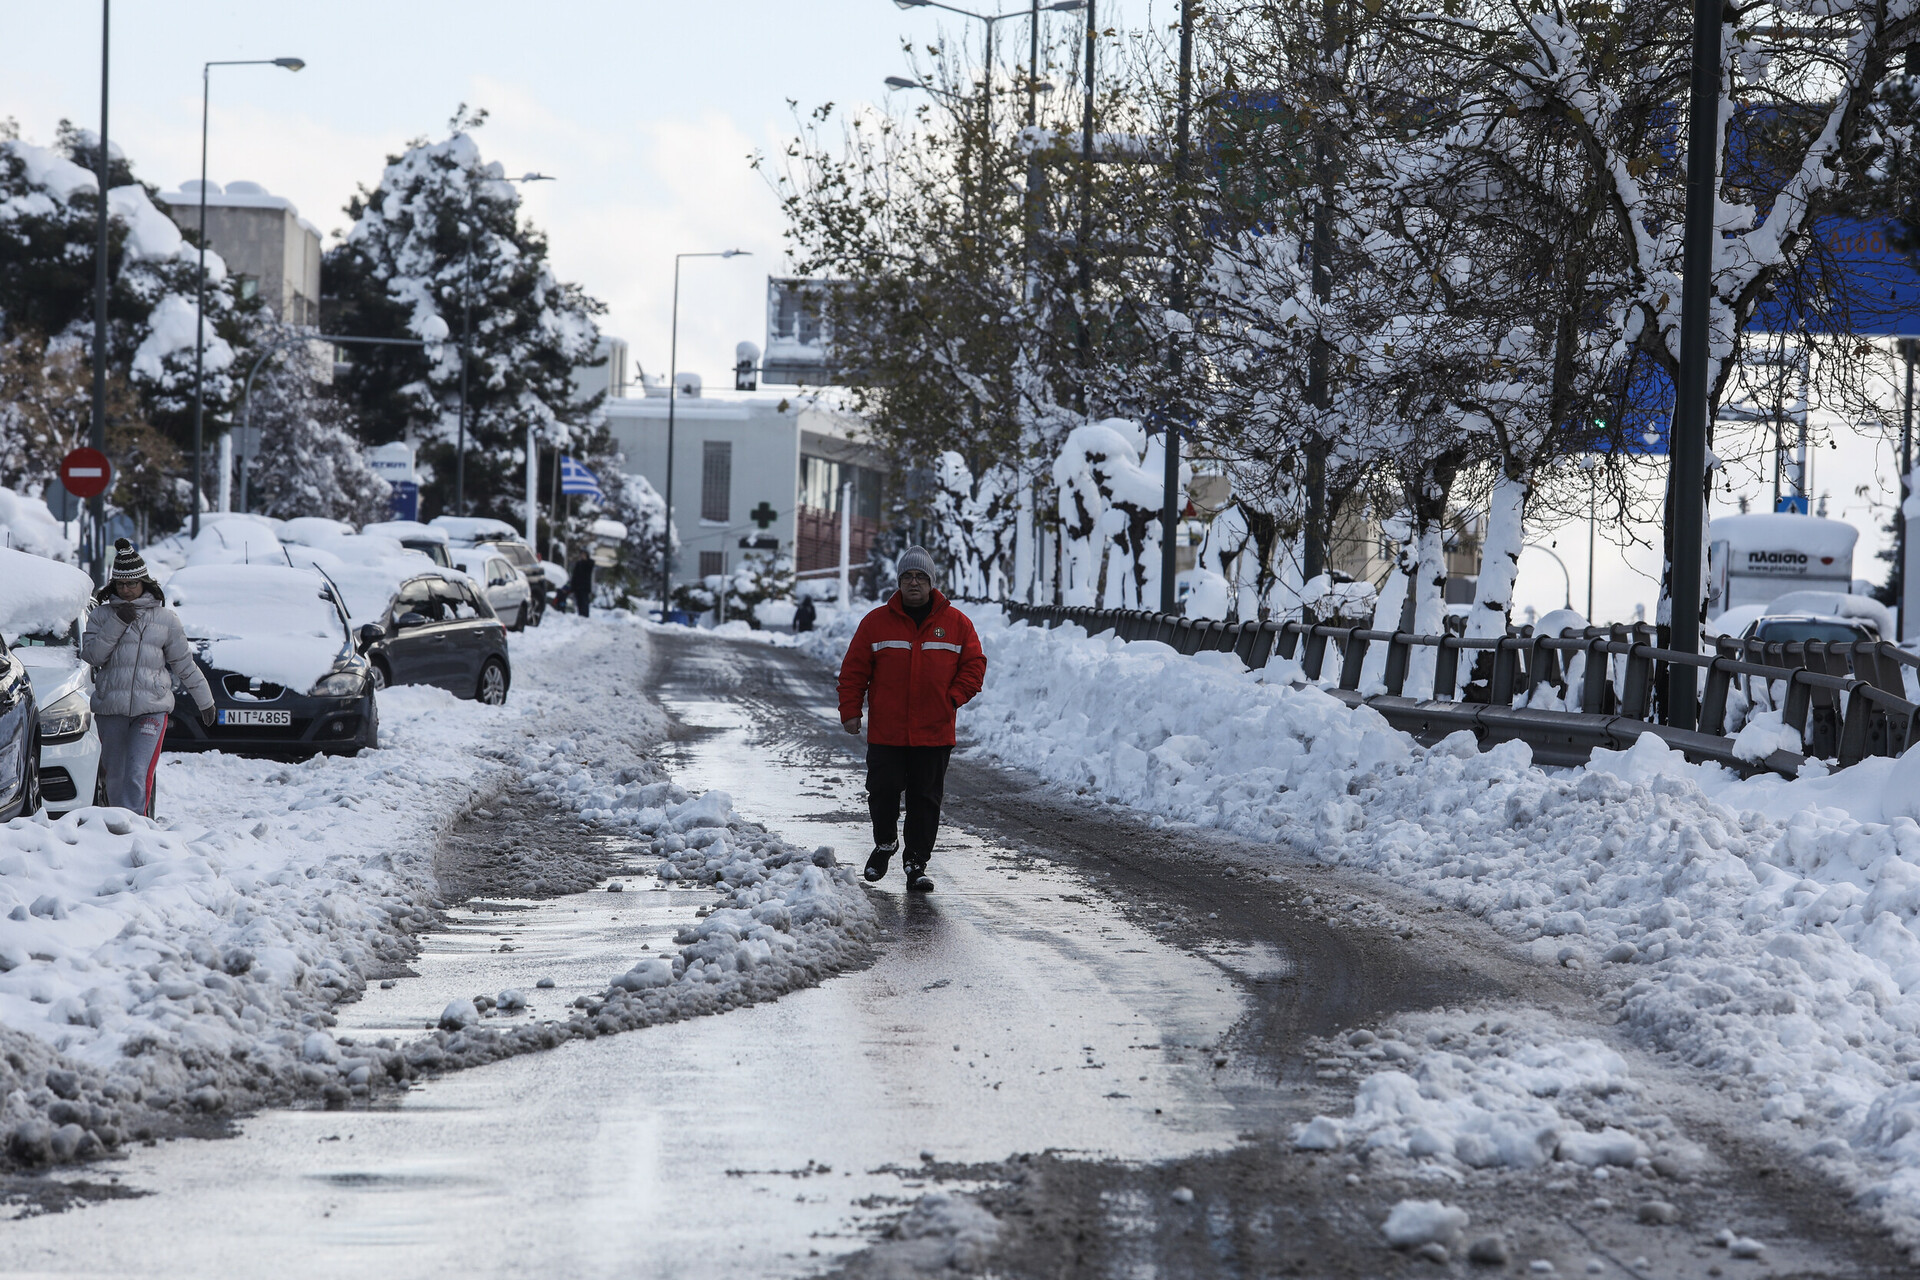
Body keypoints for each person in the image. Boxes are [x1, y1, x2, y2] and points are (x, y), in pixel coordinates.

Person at [836, 546, 985, 892]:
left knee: (925, 800)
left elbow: (974, 665)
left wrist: (952, 698)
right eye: (907, 577)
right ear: (899, 582)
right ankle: (885, 843)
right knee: (882, 791)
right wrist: (850, 711)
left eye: (920, 577)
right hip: (887, 732)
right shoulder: (875, 623)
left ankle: (916, 863)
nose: (913, 582)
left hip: (934, 733)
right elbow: (854, 671)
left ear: (931, 582)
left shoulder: (957, 624)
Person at [81, 538, 214, 817]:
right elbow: (93, 656)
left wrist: (206, 702)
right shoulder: (101, 616)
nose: (126, 590)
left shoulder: (166, 619)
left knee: (137, 772)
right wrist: (119, 622)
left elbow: (184, 664)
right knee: (115, 773)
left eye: (132, 583)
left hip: (152, 708)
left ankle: (136, 827)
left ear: (144, 583)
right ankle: (116, 824)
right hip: (111, 708)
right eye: (120, 584)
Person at [569, 551, 594, 618]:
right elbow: (575, 575)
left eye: (584, 555)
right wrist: (573, 586)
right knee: (579, 602)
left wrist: (585, 560)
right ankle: (580, 615)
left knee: (584, 602)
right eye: (581, 555)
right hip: (577, 587)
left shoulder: (589, 563)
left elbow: (590, 566)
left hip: (585, 587)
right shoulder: (578, 564)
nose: (582, 556)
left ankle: (585, 616)